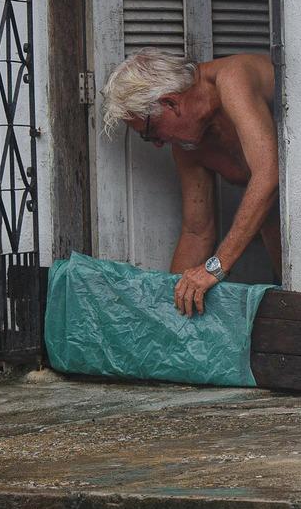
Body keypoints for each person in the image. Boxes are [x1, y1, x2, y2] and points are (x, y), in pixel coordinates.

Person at [101, 48, 280, 317]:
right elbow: (197, 231)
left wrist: (215, 268)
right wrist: (168, 312)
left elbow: (269, 174)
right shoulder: (188, 146)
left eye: (150, 133)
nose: (159, 144)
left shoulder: (232, 79)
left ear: (171, 103)